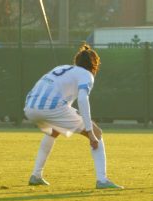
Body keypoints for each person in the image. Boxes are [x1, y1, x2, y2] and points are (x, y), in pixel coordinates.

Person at [24, 44, 123, 189]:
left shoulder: (60, 68)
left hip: (30, 108)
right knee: (97, 133)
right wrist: (90, 131)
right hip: (51, 109)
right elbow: (83, 99)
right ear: (94, 64)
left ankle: (36, 176)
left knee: (53, 131)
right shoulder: (86, 74)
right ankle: (102, 180)